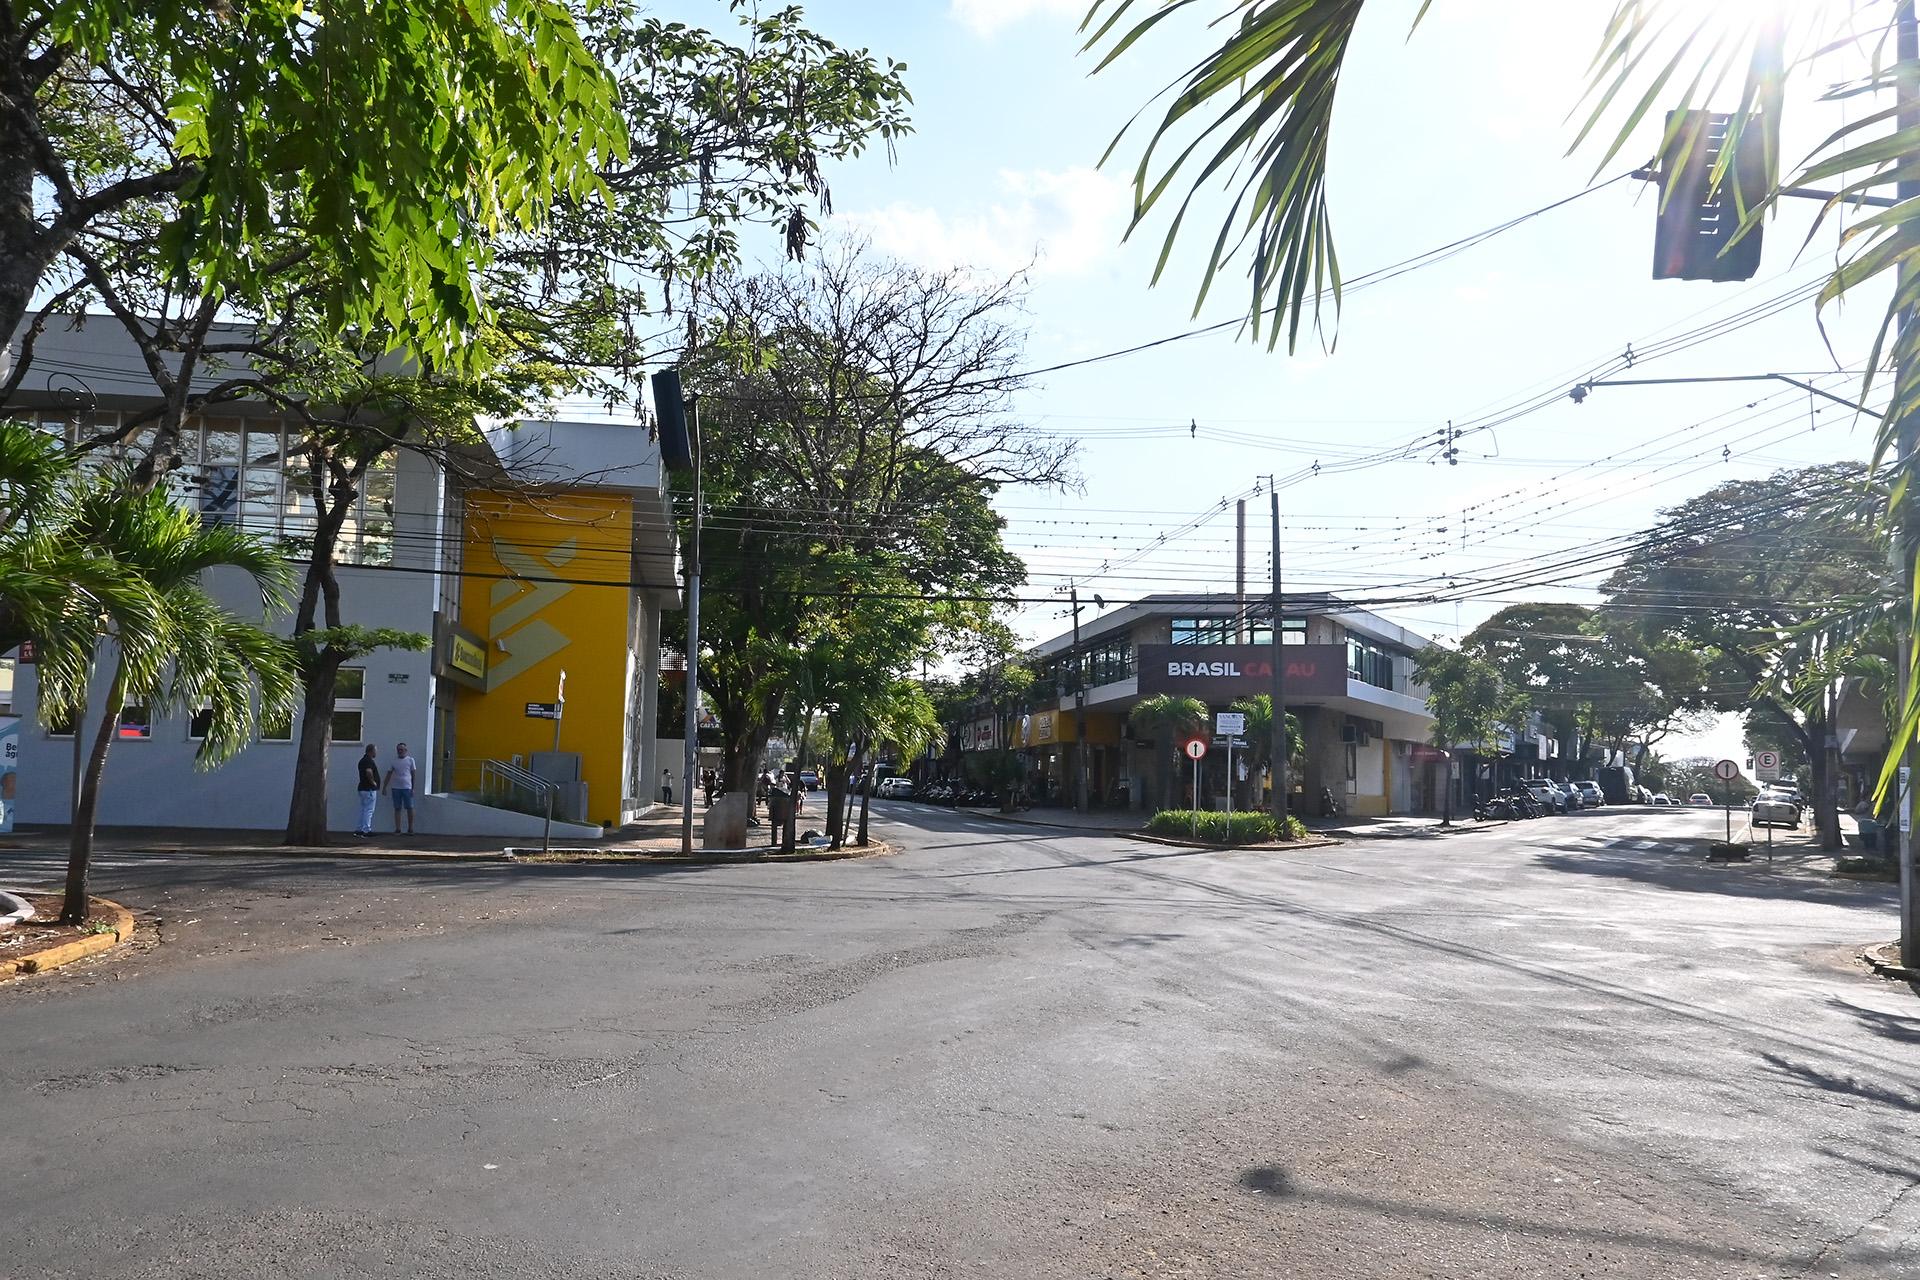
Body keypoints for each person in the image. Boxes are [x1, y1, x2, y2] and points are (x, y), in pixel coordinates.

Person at [384, 742, 417, 835]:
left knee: (410, 807)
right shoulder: (394, 761)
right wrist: (384, 786)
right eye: (399, 750)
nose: (400, 751)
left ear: (406, 750)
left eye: (402, 750)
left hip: (407, 787)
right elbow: (389, 774)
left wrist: (413, 787)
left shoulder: (410, 760)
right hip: (396, 788)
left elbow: (414, 774)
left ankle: (410, 828)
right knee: (397, 808)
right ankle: (398, 829)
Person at [354, 744, 380, 838]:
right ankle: (366, 830)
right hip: (369, 789)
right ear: (371, 751)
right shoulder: (368, 761)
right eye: (375, 751)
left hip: (362, 788)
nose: (376, 752)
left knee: (363, 809)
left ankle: (359, 830)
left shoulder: (362, 760)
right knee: (369, 810)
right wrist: (373, 782)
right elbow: (368, 772)